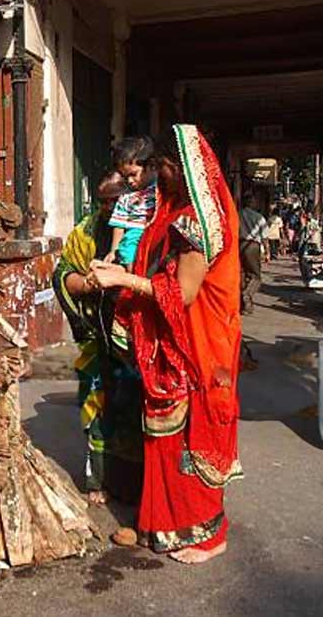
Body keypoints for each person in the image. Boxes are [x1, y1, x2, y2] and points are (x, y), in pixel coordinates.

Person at [88, 124, 242, 564]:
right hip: (177, 341)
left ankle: (208, 535)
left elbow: (183, 293)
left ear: (190, 167)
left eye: (169, 165)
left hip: (196, 346)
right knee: (163, 435)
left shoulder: (195, 220)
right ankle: (166, 523)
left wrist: (122, 279)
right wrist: (118, 263)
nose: (162, 172)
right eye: (160, 164)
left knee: (191, 438)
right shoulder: (171, 208)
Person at [54, 171, 144, 505]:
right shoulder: (85, 232)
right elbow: (62, 274)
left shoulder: (144, 226)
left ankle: (138, 486)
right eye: (103, 201)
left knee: (135, 411)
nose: (109, 208)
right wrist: (89, 283)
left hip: (136, 340)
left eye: (116, 200)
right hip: (98, 335)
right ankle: (99, 481)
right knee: (96, 408)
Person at [105, 137, 159, 267]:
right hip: (132, 242)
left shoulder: (162, 189)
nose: (129, 181)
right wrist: (113, 251)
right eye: (125, 176)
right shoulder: (126, 197)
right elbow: (119, 224)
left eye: (133, 174)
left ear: (151, 167)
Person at [238, 193, 266, 314]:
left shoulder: (237, 214)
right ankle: (247, 294)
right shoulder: (259, 217)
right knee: (256, 276)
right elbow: (264, 236)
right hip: (253, 245)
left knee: (243, 273)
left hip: (240, 244)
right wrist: (267, 251)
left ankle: (245, 305)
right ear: (252, 203)